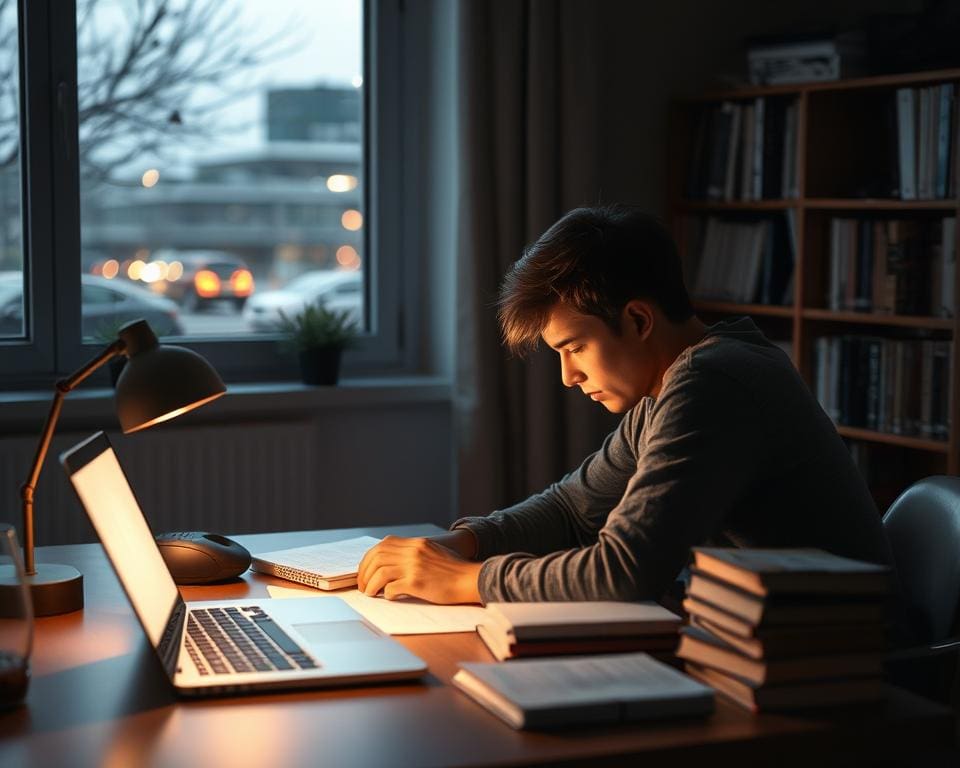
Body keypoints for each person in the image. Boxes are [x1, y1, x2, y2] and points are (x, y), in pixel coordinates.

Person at [356, 204, 895, 607]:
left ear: (638, 321)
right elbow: (572, 509)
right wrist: (462, 542)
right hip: (765, 644)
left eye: (574, 348)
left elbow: (626, 572)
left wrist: (462, 580)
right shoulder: (671, 385)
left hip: (840, 670)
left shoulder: (713, 380)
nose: (568, 377)